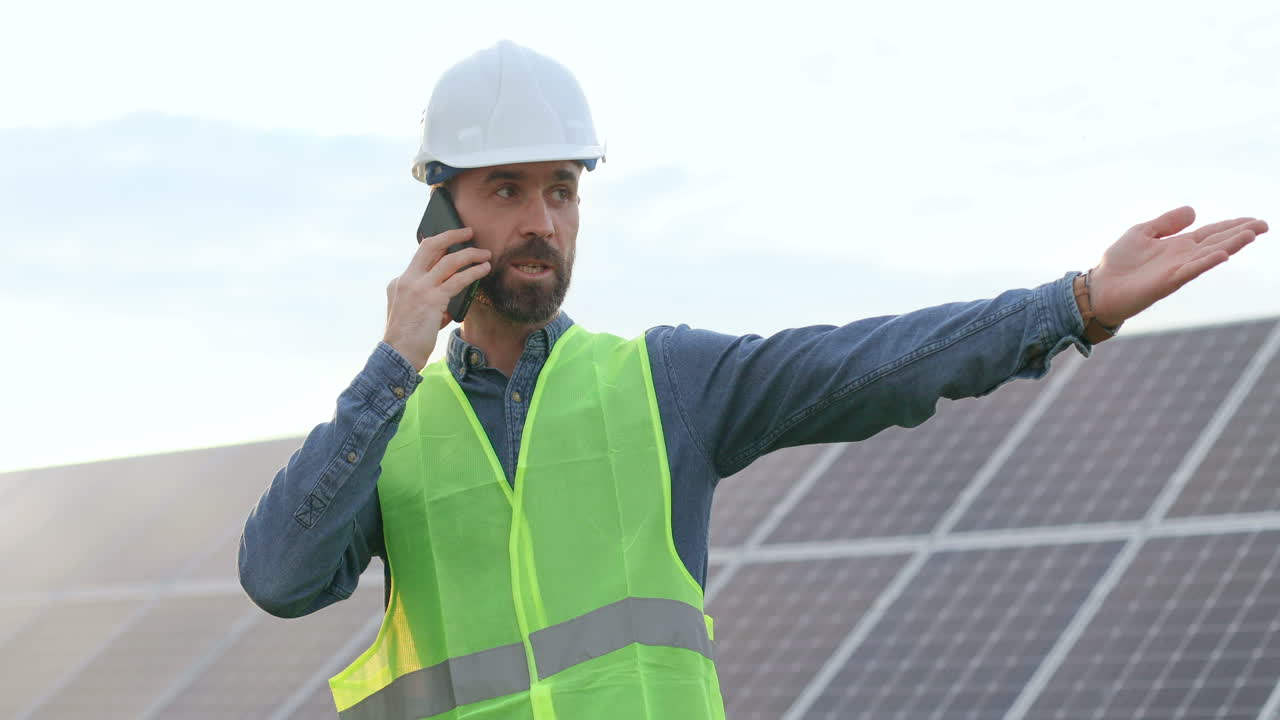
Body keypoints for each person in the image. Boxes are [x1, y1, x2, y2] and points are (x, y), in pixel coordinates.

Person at [237, 40, 1269, 719]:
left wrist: (1073, 303)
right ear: (439, 213)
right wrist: (389, 365)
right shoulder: (392, 430)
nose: (544, 223)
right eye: (507, 190)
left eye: (561, 190)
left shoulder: (660, 382)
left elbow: (870, 364)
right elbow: (280, 577)